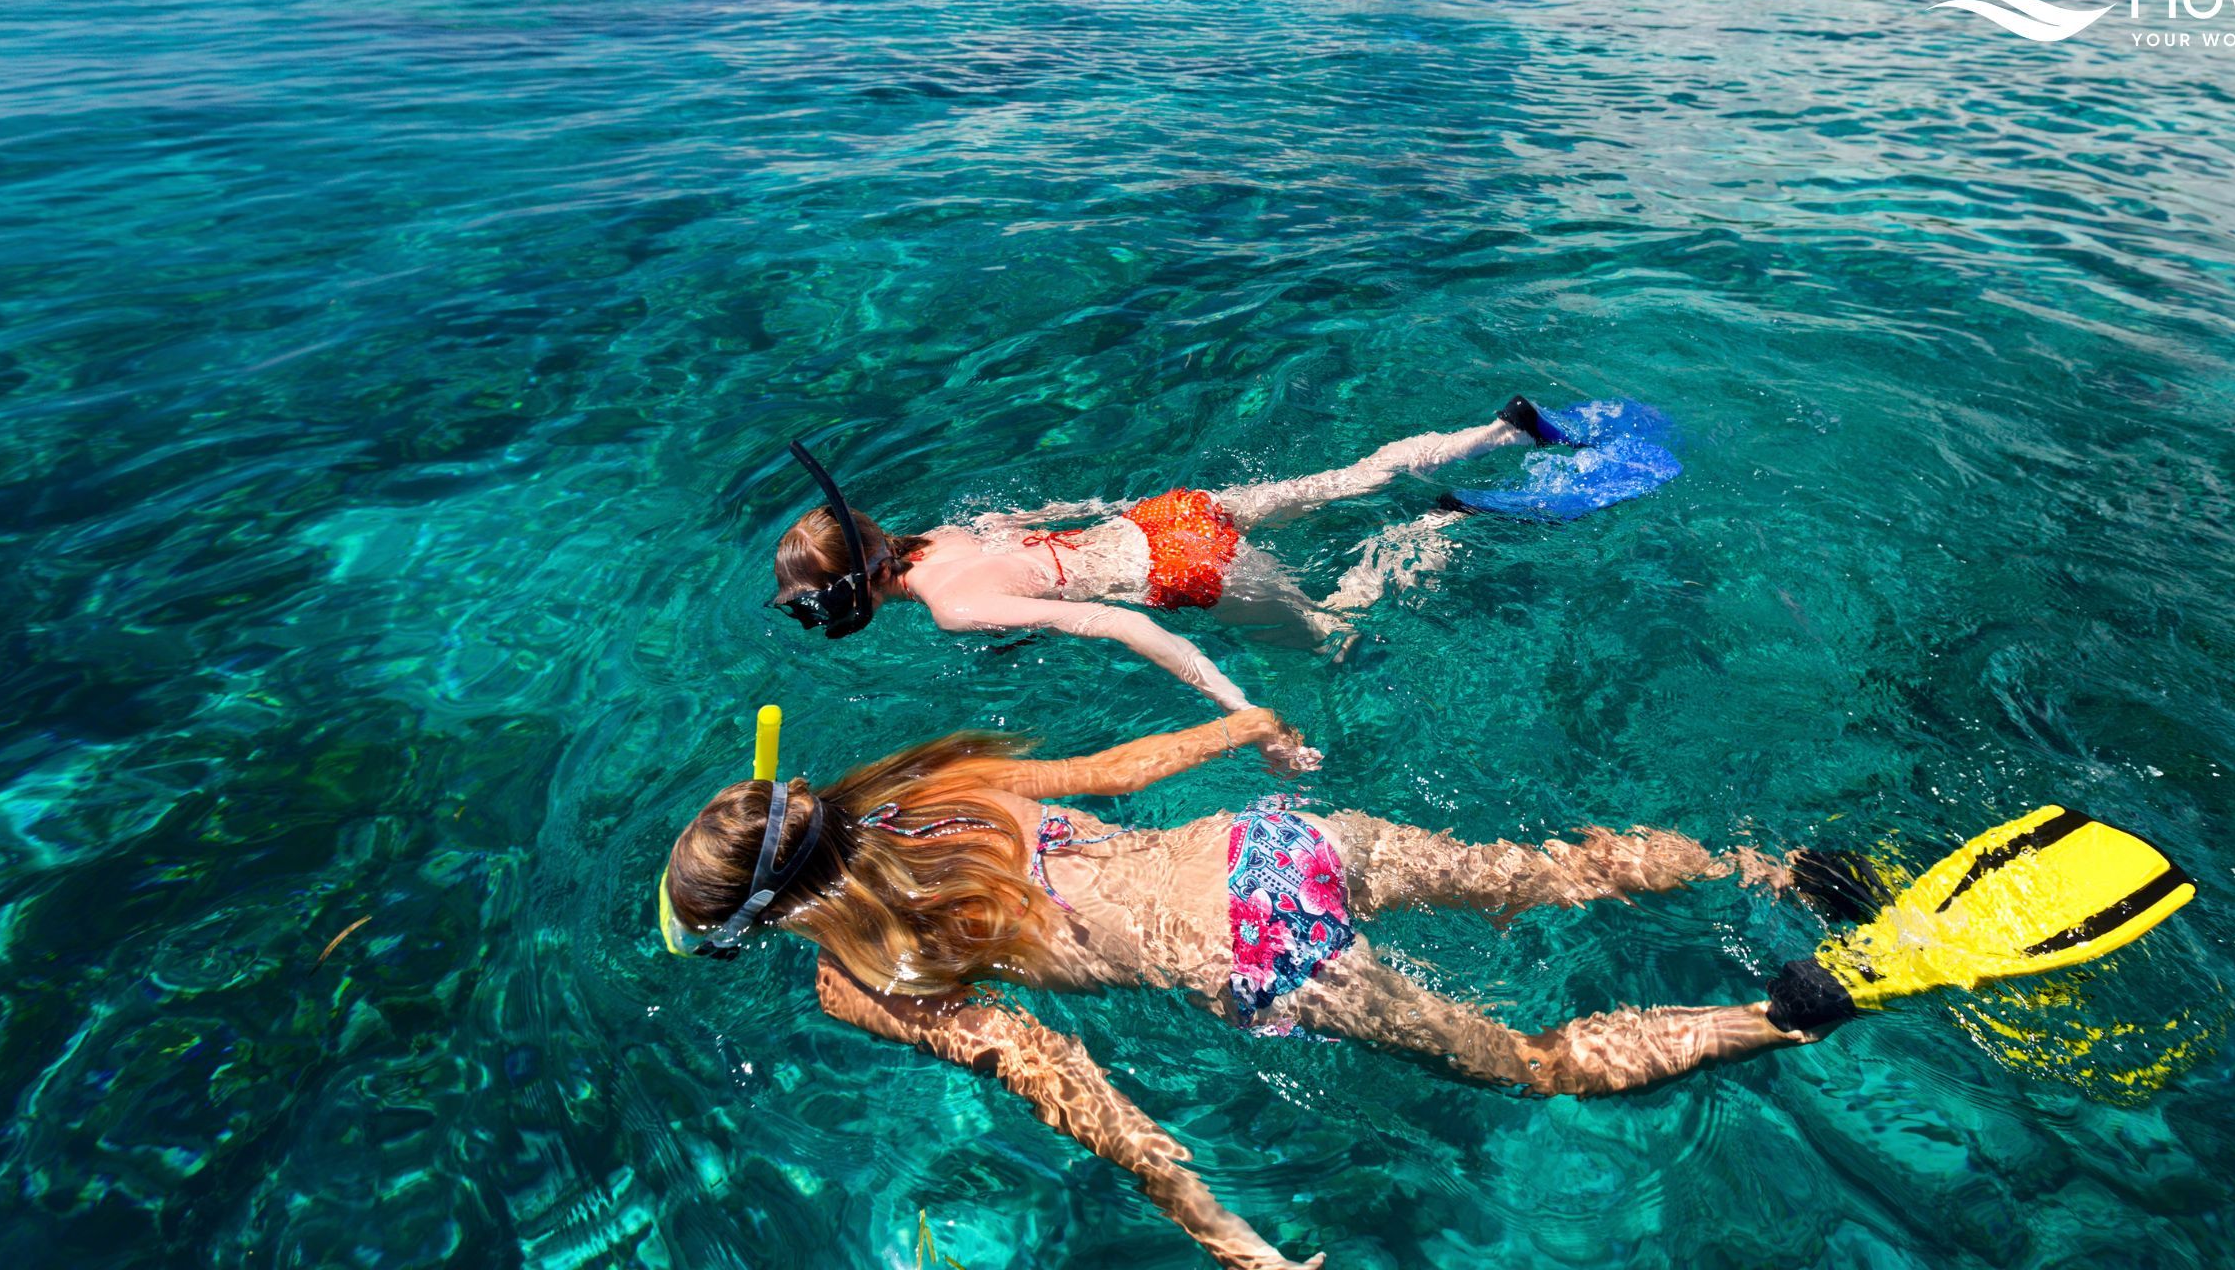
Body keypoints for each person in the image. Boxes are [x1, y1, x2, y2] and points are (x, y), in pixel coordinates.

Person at [656, 710, 1830, 1270]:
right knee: (1537, 877)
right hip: (1270, 843)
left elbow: (1052, 1071)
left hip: (1268, 958)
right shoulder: (937, 784)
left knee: (1536, 1068)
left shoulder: (852, 978)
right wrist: (1247, 723)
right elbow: (1114, 770)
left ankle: (1781, 1012)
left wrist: (1229, 1238)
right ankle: (1766, 867)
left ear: (770, 920)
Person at [768, 399, 1576, 723]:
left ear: (862, 586)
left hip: (1182, 574)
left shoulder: (952, 608)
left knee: (1341, 636)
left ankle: (1433, 531)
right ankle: (1500, 430)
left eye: (821, 605)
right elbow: (1046, 521)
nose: (823, 617)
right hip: (1166, 514)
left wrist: (1235, 706)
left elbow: (1113, 620)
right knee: (1349, 478)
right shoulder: (944, 534)